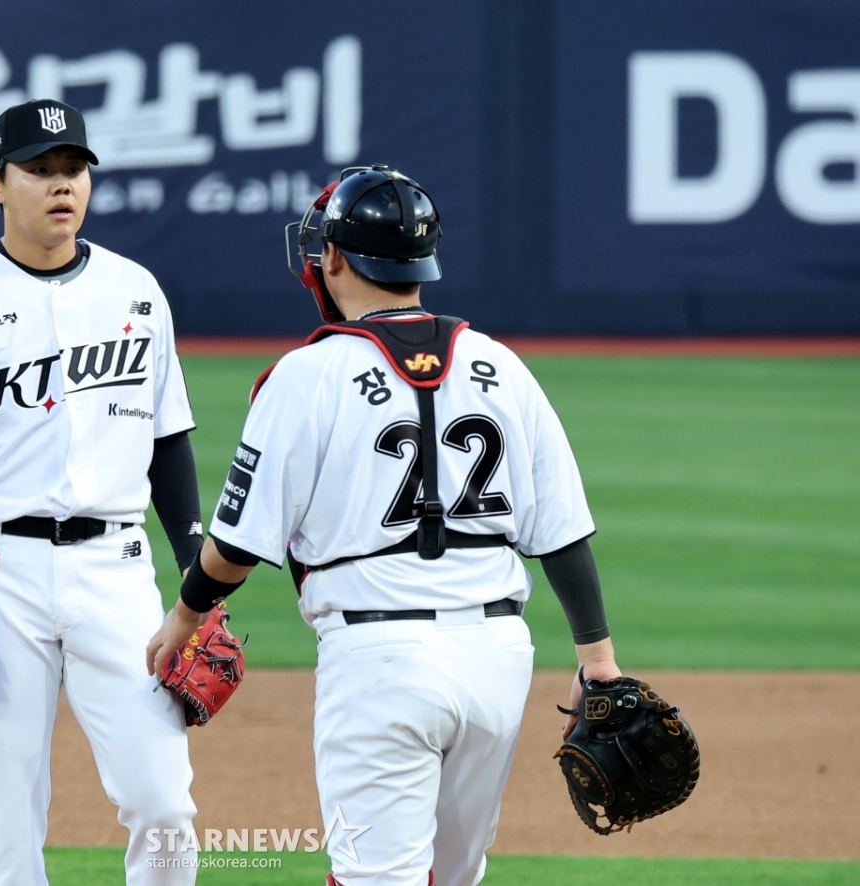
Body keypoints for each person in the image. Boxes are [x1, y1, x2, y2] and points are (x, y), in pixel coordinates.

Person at [148, 165, 621, 886]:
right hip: (498, 661)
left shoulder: (305, 376)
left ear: (334, 257)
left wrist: (184, 616)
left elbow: (236, 546)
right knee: (454, 876)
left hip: (379, 661)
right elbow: (560, 533)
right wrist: (599, 663)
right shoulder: (500, 366)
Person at [0, 99, 204, 886]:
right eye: (40, 170)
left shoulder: (136, 291)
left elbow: (168, 441)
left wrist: (197, 571)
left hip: (117, 570)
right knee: (9, 814)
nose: (63, 185)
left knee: (164, 803)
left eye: (74, 170)